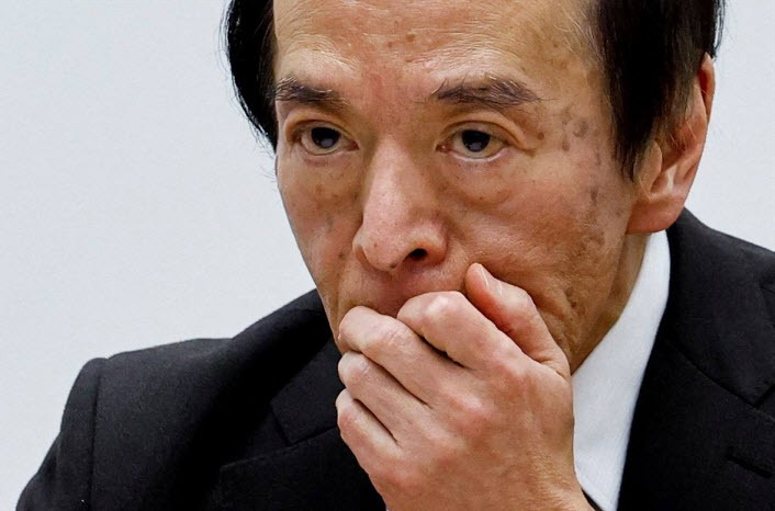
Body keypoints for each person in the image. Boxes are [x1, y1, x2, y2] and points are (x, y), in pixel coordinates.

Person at [18, 0, 775, 509]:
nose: (381, 241)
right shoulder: (137, 460)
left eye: (475, 139)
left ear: (671, 142)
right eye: (323, 136)